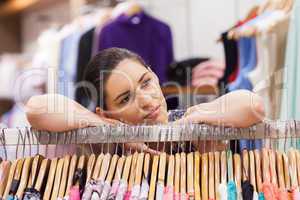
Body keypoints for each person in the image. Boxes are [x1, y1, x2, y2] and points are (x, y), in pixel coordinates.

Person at [25, 48, 265, 153]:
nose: (147, 100)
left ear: (155, 75)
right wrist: (110, 130)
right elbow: (36, 109)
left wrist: (192, 120)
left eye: (146, 82)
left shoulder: (191, 123)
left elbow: (253, 106)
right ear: (107, 113)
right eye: (125, 98)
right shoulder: (105, 146)